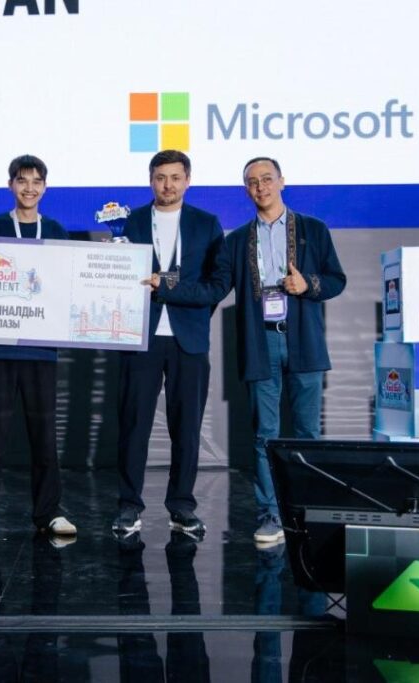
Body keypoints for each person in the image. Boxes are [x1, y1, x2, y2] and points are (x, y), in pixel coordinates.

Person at [169, 157, 347, 544]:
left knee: (307, 432)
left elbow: (337, 279)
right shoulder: (236, 241)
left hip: (304, 340)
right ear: (246, 190)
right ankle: (270, 515)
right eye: (252, 182)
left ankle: (307, 510)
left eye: (267, 179)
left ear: (282, 181)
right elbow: (215, 289)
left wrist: (309, 285)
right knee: (265, 435)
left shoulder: (313, 230)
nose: (260, 187)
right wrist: (170, 295)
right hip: (259, 341)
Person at [0, 154, 77, 538]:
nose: (29, 188)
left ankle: (49, 512)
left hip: (41, 348)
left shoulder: (55, 230)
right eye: (22, 181)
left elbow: (67, 283)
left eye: (36, 181)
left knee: (44, 436)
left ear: (45, 187)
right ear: (10, 184)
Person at [112, 149, 225, 537]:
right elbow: (117, 278)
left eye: (176, 177)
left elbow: (216, 285)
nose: (168, 185)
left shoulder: (206, 224)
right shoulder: (130, 222)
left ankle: (182, 507)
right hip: (139, 336)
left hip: (188, 338)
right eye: (160, 177)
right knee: (133, 426)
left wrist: (172, 290)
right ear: (151, 181)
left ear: (188, 181)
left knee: (187, 428)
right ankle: (129, 506)